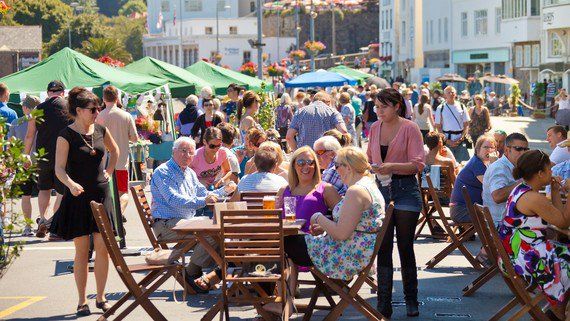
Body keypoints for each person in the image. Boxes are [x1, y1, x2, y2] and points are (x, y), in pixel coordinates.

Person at [264, 147, 384, 316]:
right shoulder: (368, 186)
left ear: (348, 167)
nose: (335, 170)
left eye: (337, 166)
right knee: (289, 243)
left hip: (344, 256)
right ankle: (286, 301)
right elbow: (347, 225)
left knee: (286, 244)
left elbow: (341, 233)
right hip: (353, 251)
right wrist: (325, 225)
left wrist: (319, 217)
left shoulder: (356, 191)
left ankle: (285, 302)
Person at [48, 87, 119, 316]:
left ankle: (101, 297)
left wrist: (108, 170)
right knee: (82, 251)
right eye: (93, 109)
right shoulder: (65, 135)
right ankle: (81, 301)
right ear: (78, 110)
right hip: (78, 197)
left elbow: (115, 151)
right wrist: (70, 184)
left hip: (101, 194)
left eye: (98, 108)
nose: (97, 112)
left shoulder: (100, 129)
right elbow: (58, 169)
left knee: (103, 248)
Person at [150, 137, 236, 293]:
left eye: (190, 152)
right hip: (166, 224)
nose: (187, 155)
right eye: (183, 151)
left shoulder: (189, 172)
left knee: (218, 231)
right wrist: (204, 199)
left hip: (184, 222)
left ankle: (206, 273)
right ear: (173, 151)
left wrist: (225, 190)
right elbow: (173, 199)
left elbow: (206, 194)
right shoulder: (163, 171)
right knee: (211, 234)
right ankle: (191, 272)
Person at [367, 88, 424, 318]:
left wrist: (391, 167)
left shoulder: (410, 128)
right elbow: (370, 158)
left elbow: (418, 164)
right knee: (383, 247)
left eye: (383, 107)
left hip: (406, 189)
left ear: (397, 106)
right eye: (376, 107)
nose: (378, 111)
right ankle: (384, 302)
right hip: (381, 189)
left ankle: (411, 299)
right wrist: (374, 166)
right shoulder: (374, 128)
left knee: (405, 245)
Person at [497, 150, 570, 319]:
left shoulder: (521, 189)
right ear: (539, 173)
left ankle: (557, 312)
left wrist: (554, 188)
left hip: (516, 255)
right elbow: (564, 222)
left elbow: (560, 217)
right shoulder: (532, 198)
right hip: (526, 260)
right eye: (549, 170)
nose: (552, 172)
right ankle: (559, 312)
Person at [25, 80, 71, 239]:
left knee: (43, 189)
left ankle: (43, 219)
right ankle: (54, 224)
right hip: (63, 155)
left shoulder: (38, 109)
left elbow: (30, 135)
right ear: (62, 92)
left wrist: (25, 155)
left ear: (47, 93)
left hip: (42, 155)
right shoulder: (69, 107)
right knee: (61, 191)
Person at [95, 86, 138, 218]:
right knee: (123, 192)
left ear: (103, 98)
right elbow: (135, 138)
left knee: (105, 193)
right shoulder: (126, 115)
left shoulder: (98, 116)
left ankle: (112, 214)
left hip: (103, 163)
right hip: (121, 161)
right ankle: (118, 214)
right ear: (117, 98)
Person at [275, 145, 341, 231]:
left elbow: (342, 218)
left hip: (311, 241)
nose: (306, 166)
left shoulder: (326, 189)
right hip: (285, 239)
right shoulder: (284, 190)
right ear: (294, 166)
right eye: (301, 162)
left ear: (315, 165)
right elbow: (273, 219)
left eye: (310, 162)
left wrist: (325, 228)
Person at [7, 95, 40, 235]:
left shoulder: (16, 123)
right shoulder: (42, 122)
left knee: (25, 196)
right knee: (45, 194)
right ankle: (43, 221)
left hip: (23, 163)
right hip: (41, 162)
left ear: (26, 107)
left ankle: (28, 227)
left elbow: (10, 145)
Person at [482, 133, 529, 223]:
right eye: (518, 149)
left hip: (510, 221)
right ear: (507, 150)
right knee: (547, 229)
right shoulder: (499, 168)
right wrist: (524, 181)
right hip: (500, 226)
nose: (523, 153)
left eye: (526, 150)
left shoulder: (514, 166)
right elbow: (497, 196)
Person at [449, 135, 496, 223]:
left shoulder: (483, 163)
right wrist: (495, 164)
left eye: (492, 147)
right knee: (497, 217)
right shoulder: (477, 164)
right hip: (461, 211)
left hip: (468, 208)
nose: (489, 150)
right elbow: (492, 186)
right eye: (486, 147)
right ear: (477, 150)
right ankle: (492, 237)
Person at [435, 86, 471, 163]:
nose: (451, 94)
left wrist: (461, 138)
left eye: (453, 92)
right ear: (445, 95)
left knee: (462, 164)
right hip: (447, 140)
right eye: (449, 92)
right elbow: (438, 127)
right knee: (448, 164)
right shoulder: (440, 108)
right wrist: (447, 141)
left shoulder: (461, 106)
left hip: (460, 140)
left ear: (455, 94)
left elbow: (466, 124)